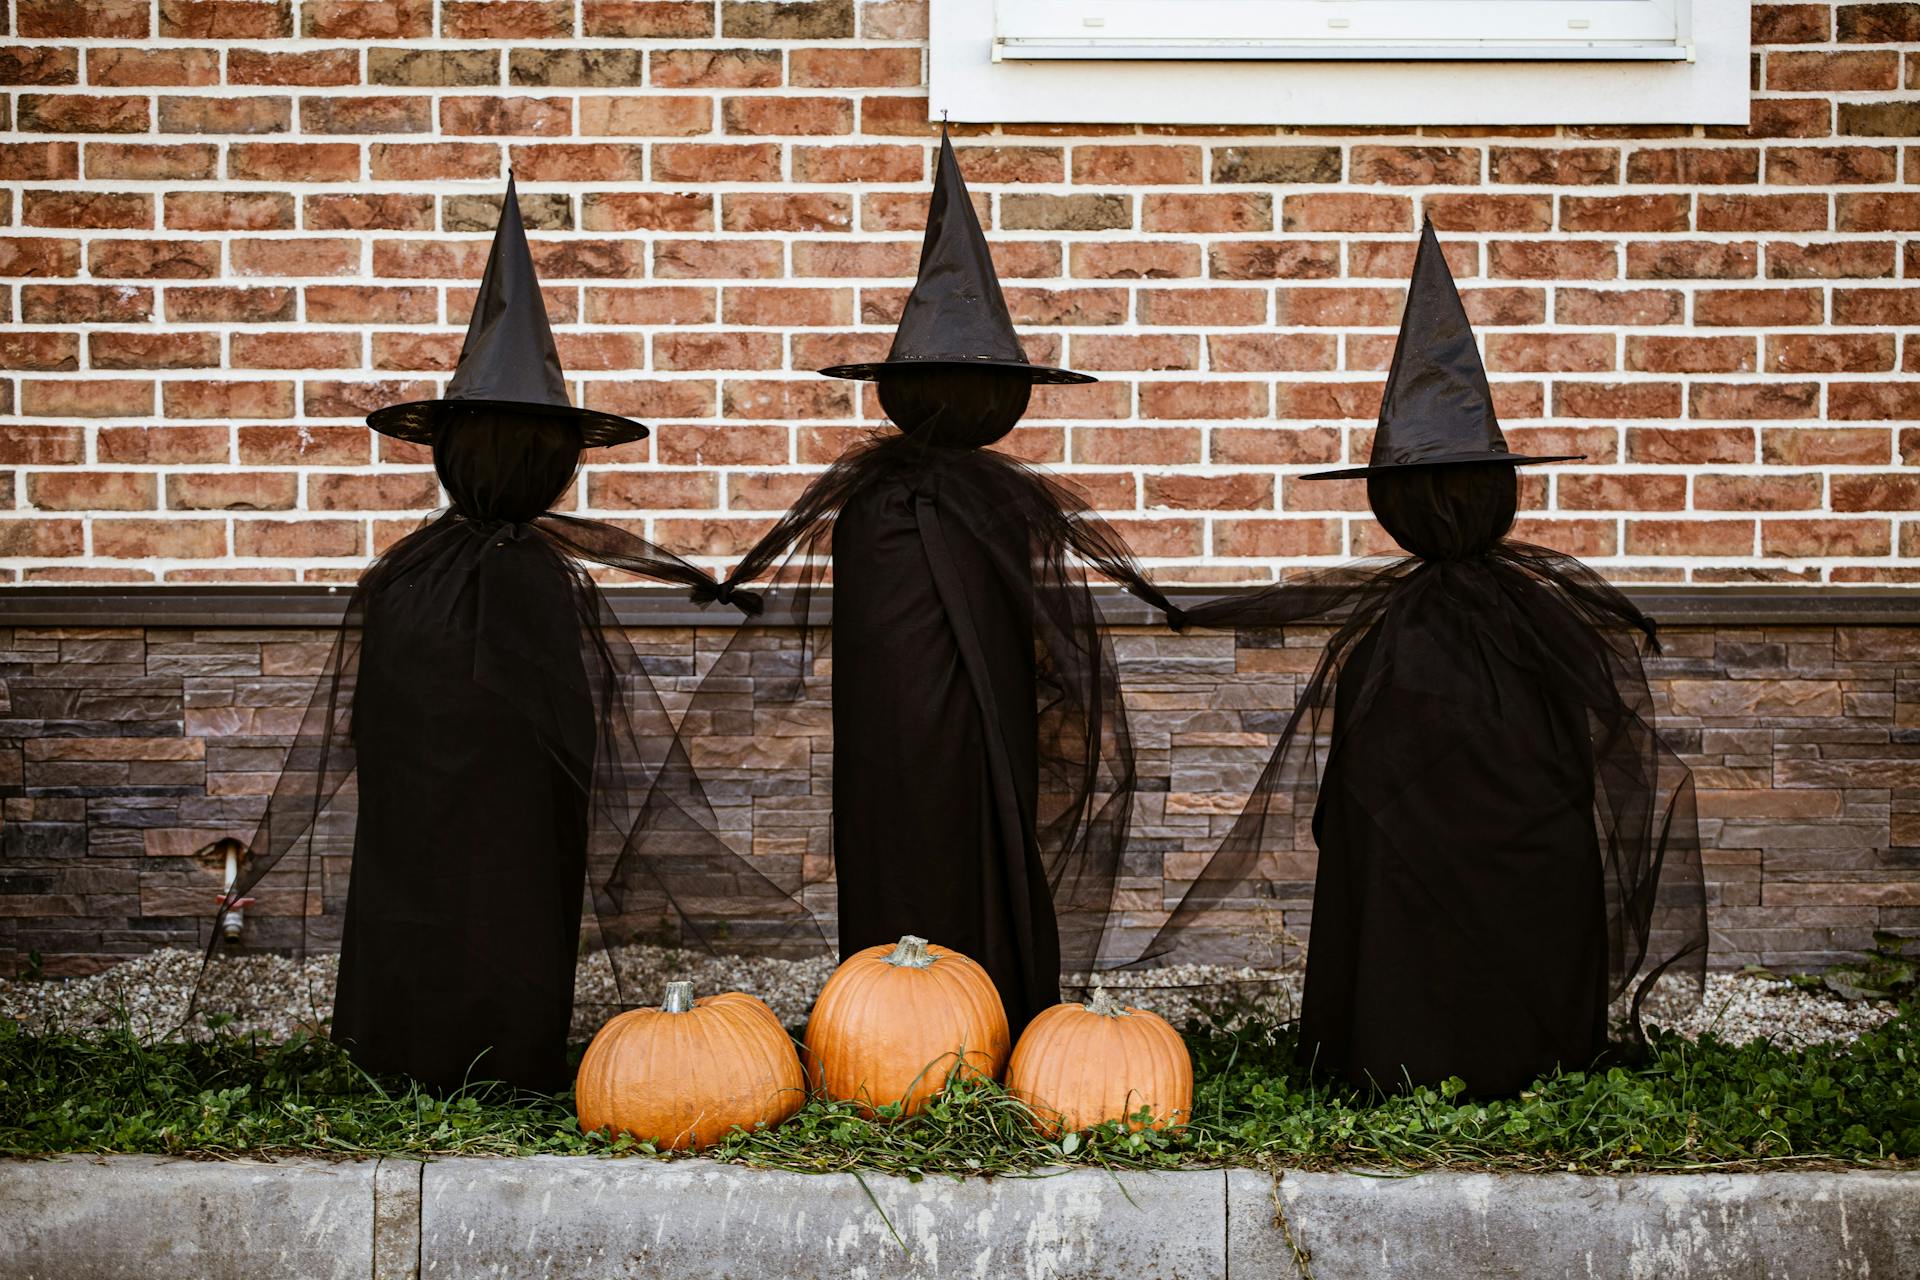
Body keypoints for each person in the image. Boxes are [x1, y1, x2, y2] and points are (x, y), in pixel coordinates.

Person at [205, 180, 822, 1090]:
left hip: (428, 815)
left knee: (437, 857)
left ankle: (405, 1054)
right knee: (510, 866)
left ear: (452, 451)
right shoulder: (513, 579)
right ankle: (500, 1057)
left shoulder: (412, 579)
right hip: (500, 848)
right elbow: (565, 749)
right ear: (553, 460)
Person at [1154, 222, 1707, 1096]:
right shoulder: (1484, 633)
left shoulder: (1425, 638)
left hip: (1398, 1031)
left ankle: (1409, 1045)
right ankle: (1524, 1051)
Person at [690, 133, 1180, 1037]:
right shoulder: (887, 513)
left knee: (965, 812)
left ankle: (948, 1017)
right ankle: (897, 1027)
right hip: (897, 749)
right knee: (912, 812)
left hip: (965, 751)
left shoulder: (948, 510)